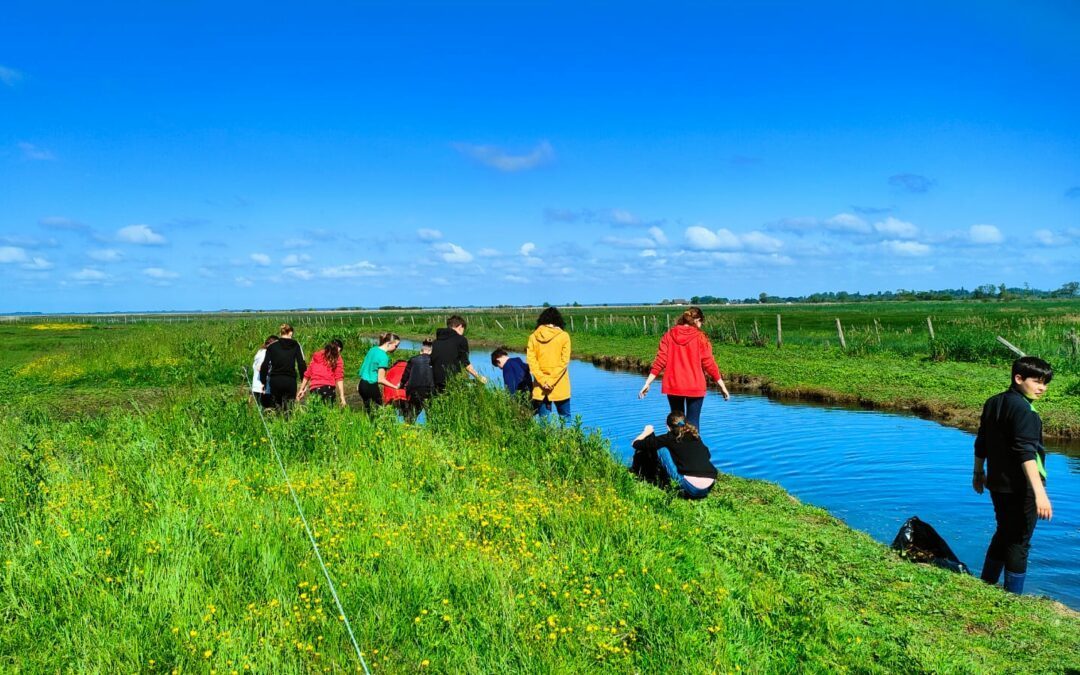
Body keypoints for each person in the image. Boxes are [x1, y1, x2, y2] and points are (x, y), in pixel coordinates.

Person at [973, 356, 1055, 595]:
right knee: (1019, 541)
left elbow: (982, 441)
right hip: (1023, 487)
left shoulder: (993, 402)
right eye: (1037, 382)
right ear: (1018, 378)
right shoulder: (1025, 411)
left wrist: (978, 472)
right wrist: (1040, 494)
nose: (1042, 388)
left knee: (1004, 532)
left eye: (1045, 383)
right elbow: (1026, 454)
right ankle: (1013, 598)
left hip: (997, 483)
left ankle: (986, 583)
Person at [638, 307, 729, 431]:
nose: (701, 326)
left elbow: (660, 360)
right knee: (693, 426)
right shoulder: (701, 337)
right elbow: (709, 363)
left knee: (676, 425)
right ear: (697, 320)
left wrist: (647, 383)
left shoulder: (669, 335)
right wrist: (722, 386)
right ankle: (694, 449)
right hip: (695, 385)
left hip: (674, 386)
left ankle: (676, 449)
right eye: (701, 322)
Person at [631, 412, 717, 500]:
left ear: (668, 427)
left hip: (692, 488)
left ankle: (652, 476)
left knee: (662, 450)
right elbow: (708, 455)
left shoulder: (669, 438)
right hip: (710, 484)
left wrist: (646, 432)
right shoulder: (695, 436)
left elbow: (635, 444)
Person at [526, 307, 572, 421]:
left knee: (544, 422)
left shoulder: (533, 337)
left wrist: (543, 381)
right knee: (565, 419)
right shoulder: (564, 336)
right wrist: (551, 381)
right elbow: (564, 362)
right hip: (560, 385)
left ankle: (544, 439)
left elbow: (532, 363)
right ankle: (567, 439)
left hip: (540, 387)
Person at [430, 315, 486, 392]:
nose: (463, 333)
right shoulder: (461, 340)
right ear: (460, 326)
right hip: (452, 382)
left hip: (435, 381)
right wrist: (478, 377)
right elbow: (465, 363)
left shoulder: (435, 342)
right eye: (463, 329)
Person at [259, 324, 307, 410]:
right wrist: (303, 381)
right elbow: (301, 364)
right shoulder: (296, 345)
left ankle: (278, 421)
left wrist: (263, 382)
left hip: (275, 380)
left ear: (281, 333)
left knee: (277, 406)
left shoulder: (272, 346)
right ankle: (287, 421)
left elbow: (265, 365)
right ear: (290, 333)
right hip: (290, 380)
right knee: (289, 407)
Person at [357, 332, 401, 412]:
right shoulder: (384, 357)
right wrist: (395, 387)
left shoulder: (372, 349)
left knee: (369, 411)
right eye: (396, 346)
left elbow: (363, 369)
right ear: (389, 343)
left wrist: (359, 384)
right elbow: (380, 379)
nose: (396, 348)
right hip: (370, 386)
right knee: (379, 412)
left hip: (362, 384)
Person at [297, 339, 346, 408]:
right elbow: (339, 377)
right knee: (329, 414)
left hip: (314, 389)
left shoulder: (317, 356)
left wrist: (301, 390)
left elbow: (307, 374)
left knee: (316, 413)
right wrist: (342, 396)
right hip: (328, 388)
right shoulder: (337, 357)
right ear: (339, 349)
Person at [401, 339, 436, 422]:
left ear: (421, 351)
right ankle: (432, 430)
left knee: (412, 414)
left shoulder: (413, 360)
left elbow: (406, 375)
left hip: (413, 390)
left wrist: (401, 384)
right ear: (431, 351)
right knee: (430, 414)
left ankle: (408, 427)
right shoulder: (434, 360)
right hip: (429, 390)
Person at [251, 335, 278, 408]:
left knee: (260, 408)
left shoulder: (260, 352)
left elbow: (255, 366)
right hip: (263, 388)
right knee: (266, 409)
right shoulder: (265, 353)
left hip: (256, 386)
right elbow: (260, 368)